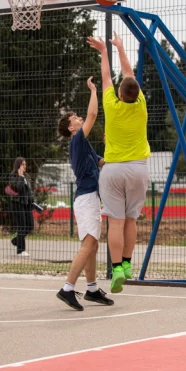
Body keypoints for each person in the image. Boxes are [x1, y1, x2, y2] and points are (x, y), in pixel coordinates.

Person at [87, 33, 150, 294]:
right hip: (138, 168)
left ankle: (115, 270)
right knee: (131, 220)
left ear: (120, 94)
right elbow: (128, 74)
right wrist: (121, 48)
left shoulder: (112, 105)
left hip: (112, 169)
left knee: (116, 222)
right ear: (136, 94)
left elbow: (106, 78)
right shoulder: (141, 105)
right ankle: (126, 264)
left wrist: (104, 51)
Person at [55, 76, 114, 310]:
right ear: (71, 128)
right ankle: (67, 288)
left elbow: (102, 162)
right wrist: (93, 91)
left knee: (93, 245)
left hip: (89, 198)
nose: (80, 118)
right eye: (75, 119)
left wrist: (120, 156)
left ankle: (91, 289)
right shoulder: (77, 141)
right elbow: (93, 114)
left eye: (79, 117)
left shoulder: (84, 145)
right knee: (88, 245)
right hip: (86, 198)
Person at [8, 157, 35, 256]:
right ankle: (21, 250)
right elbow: (17, 188)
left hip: (26, 204)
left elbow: (29, 191)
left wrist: (32, 201)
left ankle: (16, 240)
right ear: (18, 165)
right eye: (23, 164)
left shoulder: (27, 176)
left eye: (25, 164)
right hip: (17, 203)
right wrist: (20, 176)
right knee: (22, 226)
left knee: (30, 226)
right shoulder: (13, 176)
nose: (24, 166)